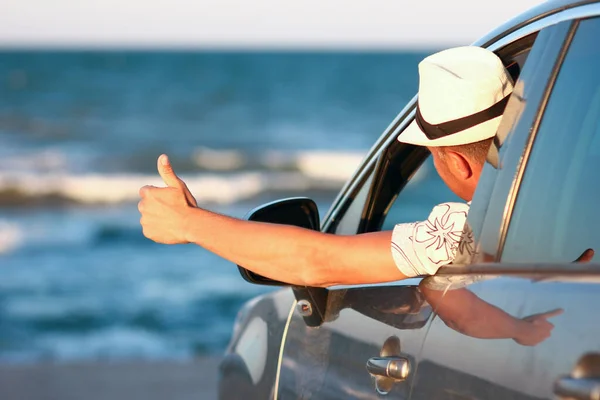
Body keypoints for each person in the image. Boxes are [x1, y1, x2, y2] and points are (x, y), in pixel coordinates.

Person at [138, 46, 514, 287]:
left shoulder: (469, 231)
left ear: (460, 164)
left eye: (432, 154)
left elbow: (315, 260)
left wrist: (188, 223)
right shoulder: (563, 203)